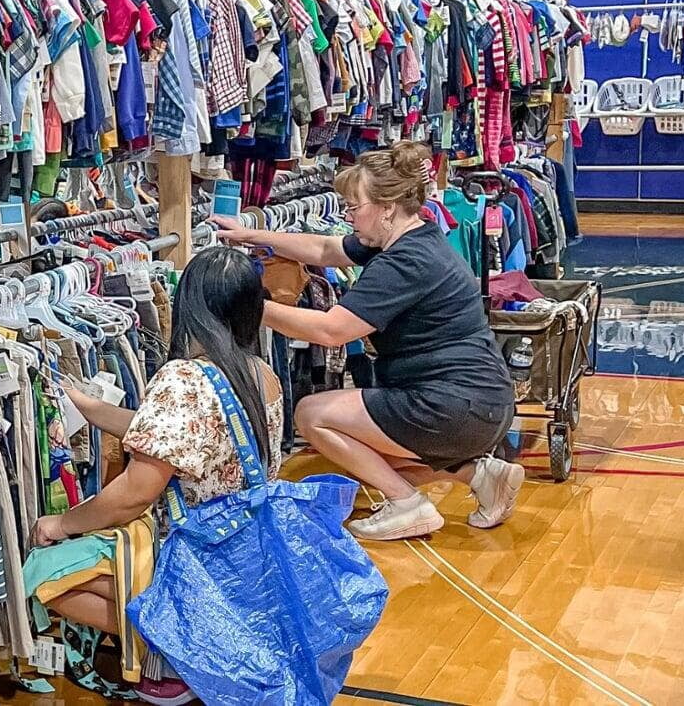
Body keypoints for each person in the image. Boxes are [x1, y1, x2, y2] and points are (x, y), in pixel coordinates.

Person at [211, 141, 523, 541]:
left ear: (387, 207)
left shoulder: (403, 262)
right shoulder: (412, 238)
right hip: (482, 400)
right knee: (366, 454)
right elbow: (324, 248)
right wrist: (250, 235)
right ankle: (481, 475)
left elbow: (331, 330)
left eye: (354, 207)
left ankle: (407, 504)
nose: (347, 216)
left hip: (453, 406)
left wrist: (246, 304)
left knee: (312, 415)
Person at [26, 245, 283, 701]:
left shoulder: (183, 378)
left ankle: (175, 644)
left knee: (46, 572)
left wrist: (61, 524)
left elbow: (135, 492)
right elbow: (185, 436)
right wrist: (92, 408)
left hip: (190, 550)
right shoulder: (261, 374)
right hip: (246, 545)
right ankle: (199, 641)